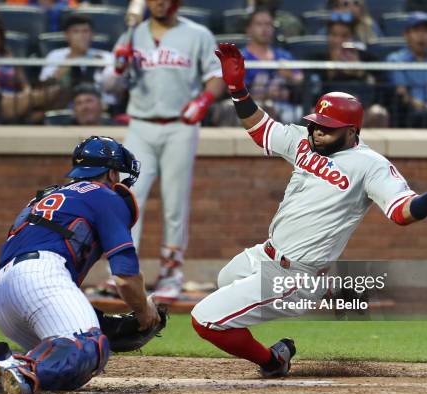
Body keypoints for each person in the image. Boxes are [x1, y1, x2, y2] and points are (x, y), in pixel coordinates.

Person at [191, 43, 427, 378]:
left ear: (352, 132)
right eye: (316, 123)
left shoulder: (370, 165)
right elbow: (259, 128)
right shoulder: (304, 142)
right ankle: (320, 296)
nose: (318, 131)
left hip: (295, 275)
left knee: (205, 319)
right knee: (225, 280)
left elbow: (402, 212)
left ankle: (273, 361)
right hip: (264, 255)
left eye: (328, 127)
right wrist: (237, 89)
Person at [0, 136, 160, 394]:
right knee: (89, 346)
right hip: (40, 275)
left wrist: (97, 321)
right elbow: (125, 277)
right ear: (111, 173)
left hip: (3, 297)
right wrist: (144, 310)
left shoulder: (45, 196)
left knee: (72, 372)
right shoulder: (103, 195)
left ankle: (3, 369)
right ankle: (17, 365)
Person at [104, 0, 225, 301]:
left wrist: (204, 101)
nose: (158, 2)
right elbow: (109, 85)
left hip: (180, 125)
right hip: (140, 124)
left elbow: (216, 77)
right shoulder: (133, 34)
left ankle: (171, 274)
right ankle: (123, 271)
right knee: (128, 197)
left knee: (174, 201)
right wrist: (118, 67)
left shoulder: (197, 34)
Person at [313, 13, 389, 127]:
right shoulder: (318, 59)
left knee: (378, 112)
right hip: (329, 111)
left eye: (344, 36)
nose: (338, 40)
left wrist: (361, 72)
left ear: (352, 37)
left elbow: (384, 91)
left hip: (362, 111)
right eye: (334, 35)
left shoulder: (367, 59)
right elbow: (312, 94)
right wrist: (332, 70)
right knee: (313, 112)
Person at [240, 8, 303, 124]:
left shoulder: (284, 55)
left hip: (283, 108)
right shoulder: (240, 57)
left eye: (268, 24)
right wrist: (265, 95)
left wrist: (290, 75)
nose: (264, 28)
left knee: (303, 113)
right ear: (248, 29)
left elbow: (301, 78)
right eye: (259, 24)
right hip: (251, 108)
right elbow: (233, 90)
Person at [40, 14, 113, 108]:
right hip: (65, 105)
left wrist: (99, 66)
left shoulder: (105, 56)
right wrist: (71, 59)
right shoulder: (55, 55)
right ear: (67, 35)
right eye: (76, 32)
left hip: (101, 105)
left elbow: (112, 91)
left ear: (92, 35)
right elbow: (46, 86)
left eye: (85, 31)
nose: (81, 36)